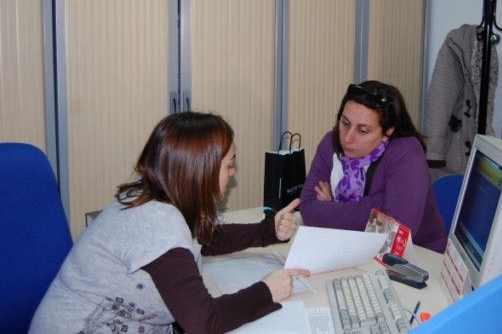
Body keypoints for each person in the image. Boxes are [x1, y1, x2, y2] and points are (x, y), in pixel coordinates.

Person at [30, 112, 309, 334]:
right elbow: (204, 322)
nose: (233, 172)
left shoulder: (157, 196)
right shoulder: (157, 222)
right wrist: (266, 292)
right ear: (200, 171)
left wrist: (268, 230)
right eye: (229, 165)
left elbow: (205, 239)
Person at [299, 81, 447, 253]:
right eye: (345, 123)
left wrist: (332, 207)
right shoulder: (330, 143)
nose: (347, 138)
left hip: (418, 257)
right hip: (349, 249)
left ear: (388, 131)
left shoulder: (407, 154)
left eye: (363, 131)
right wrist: (378, 205)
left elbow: (394, 236)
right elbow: (308, 208)